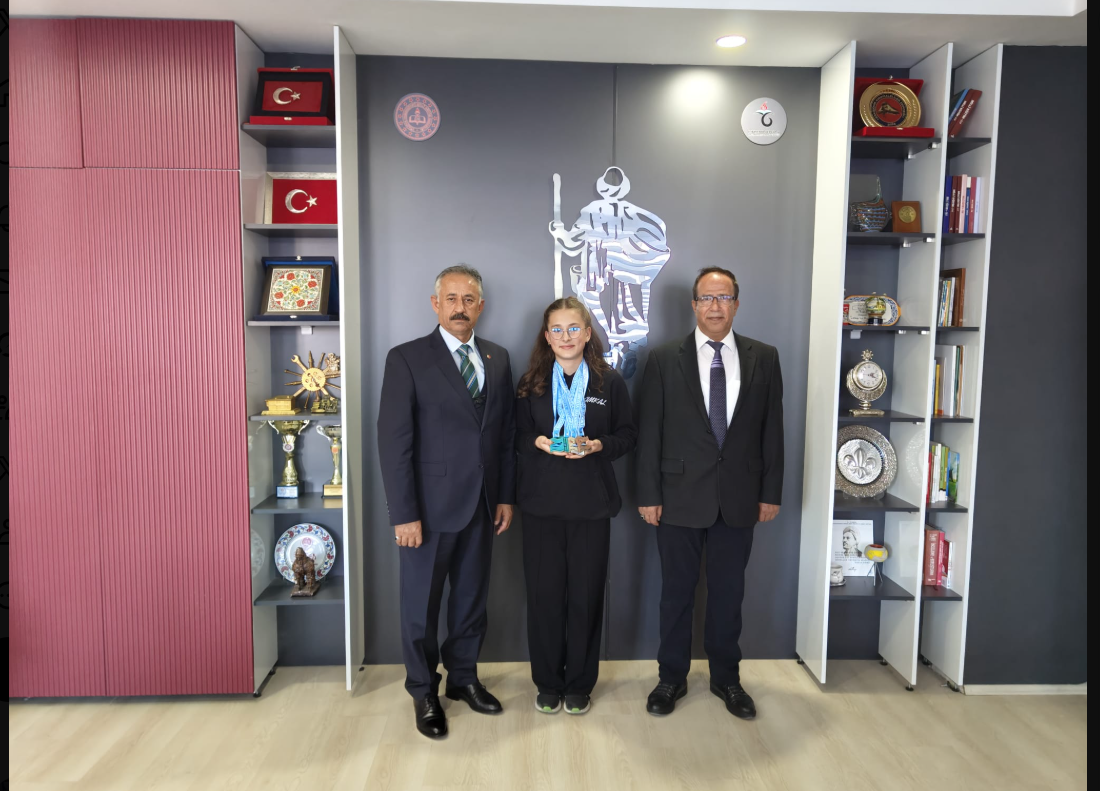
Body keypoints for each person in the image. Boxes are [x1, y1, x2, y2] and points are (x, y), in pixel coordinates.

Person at [635, 267, 784, 720]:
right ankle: (671, 678)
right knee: (676, 594)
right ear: (694, 305)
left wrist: (770, 491)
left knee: (728, 595)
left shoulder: (764, 357)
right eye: (706, 298)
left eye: (723, 297)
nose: (715, 306)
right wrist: (648, 494)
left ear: (736, 303)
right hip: (677, 497)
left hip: (739, 497)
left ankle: (727, 679)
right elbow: (649, 432)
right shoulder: (664, 358)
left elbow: (772, 431)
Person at [377, 265, 517, 739]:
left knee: (472, 600)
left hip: (483, 505)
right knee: (421, 607)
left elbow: (504, 436)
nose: (461, 307)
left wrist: (505, 496)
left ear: (481, 306)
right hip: (427, 511)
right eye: (452, 299)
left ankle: (463, 679)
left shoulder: (498, 357)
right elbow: (393, 442)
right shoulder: (407, 358)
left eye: (469, 299)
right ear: (436, 304)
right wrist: (404, 514)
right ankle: (423, 691)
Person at [515, 297, 637, 716]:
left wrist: (599, 444)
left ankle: (580, 684)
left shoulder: (609, 382)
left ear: (587, 334)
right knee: (544, 599)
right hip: (541, 507)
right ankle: (548, 683)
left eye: (573, 328)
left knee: (585, 600)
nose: (565, 336)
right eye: (557, 329)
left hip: (591, 507)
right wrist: (538, 441)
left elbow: (628, 435)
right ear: (547, 337)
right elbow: (514, 436)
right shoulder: (531, 383)